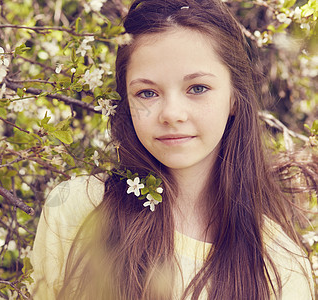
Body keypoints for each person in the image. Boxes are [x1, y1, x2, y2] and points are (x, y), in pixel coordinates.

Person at [31, 0, 315, 299]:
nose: (172, 114)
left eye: (197, 88)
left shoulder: (281, 267)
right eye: (147, 93)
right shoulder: (77, 208)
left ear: (234, 97)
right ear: (126, 102)